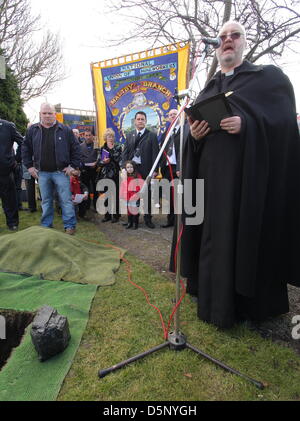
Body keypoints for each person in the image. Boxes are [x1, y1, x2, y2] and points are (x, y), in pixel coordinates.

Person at [171, 20, 300, 328]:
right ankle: (210, 298)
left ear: (244, 42)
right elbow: (193, 135)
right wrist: (196, 136)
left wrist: (247, 124)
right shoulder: (208, 89)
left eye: (235, 35)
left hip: (246, 184)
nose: (227, 40)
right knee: (211, 236)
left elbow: (284, 126)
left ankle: (242, 306)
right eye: (223, 36)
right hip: (209, 182)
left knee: (240, 238)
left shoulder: (266, 80)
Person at [22, 103, 81, 235]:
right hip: (42, 173)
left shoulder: (65, 130)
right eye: (44, 113)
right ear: (40, 114)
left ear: (55, 114)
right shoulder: (33, 130)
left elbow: (76, 149)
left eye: (50, 113)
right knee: (46, 200)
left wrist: (72, 166)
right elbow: (25, 148)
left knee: (65, 200)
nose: (47, 116)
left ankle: (70, 226)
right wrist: (30, 167)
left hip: (61, 172)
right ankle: (46, 226)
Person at [122, 111, 159, 229]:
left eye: (143, 119)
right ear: (135, 121)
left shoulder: (152, 135)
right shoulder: (129, 135)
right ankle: (133, 219)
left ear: (146, 121)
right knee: (132, 195)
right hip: (132, 170)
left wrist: (155, 169)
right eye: (138, 119)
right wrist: (124, 168)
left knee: (147, 195)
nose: (140, 121)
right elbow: (125, 153)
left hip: (146, 169)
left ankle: (148, 219)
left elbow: (155, 154)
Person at [159, 108, 189, 228]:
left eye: (175, 114)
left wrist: (181, 166)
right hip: (167, 167)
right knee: (168, 195)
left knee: (179, 194)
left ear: (181, 115)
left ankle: (180, 221)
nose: (172, 116)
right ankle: (170, 220)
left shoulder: (185, 129)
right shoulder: (166, 132)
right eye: (170, 115)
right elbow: (162, 149)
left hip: (179, 167)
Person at [0, 119, 23, 231]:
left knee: (9, 198)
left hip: (5, 170)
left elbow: (22, 142)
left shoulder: (8, 126)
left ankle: (12, 222)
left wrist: (16, 160)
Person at [96, 128, 122, 223]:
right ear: (105, 138)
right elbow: (98, 162)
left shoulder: (118, 147)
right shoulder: (102, 148)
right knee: (106, 195)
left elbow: (119, 159)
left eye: (111, 136)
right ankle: (107, 215)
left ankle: (116, 215)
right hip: (105, 174)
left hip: (115, 174)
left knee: (115, 195)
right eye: (108, 136)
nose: (110, 138)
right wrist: (103, 161)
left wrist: (111, 155)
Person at [120, 160, 144, 230]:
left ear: (134, 168)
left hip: (135, 195)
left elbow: (140, 186)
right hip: (127, 195)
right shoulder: (125, 176)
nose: (129, 169)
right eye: (128, 167)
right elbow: (123, 186)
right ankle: (129, 222)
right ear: (125, 169)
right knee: (129, 209)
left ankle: (135, 223)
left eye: (131, 167)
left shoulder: (137, 176)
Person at [80, 128, 98, 212]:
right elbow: (79, 158)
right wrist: (82, 164)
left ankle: (96, 206)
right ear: (84, 136)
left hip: (95, 170)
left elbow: (100, 156)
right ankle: (86, 206)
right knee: (86, 188)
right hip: (85, 171)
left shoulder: (97, 145)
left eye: (89, 135)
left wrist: (96, 163)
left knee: (95, 189)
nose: (87, 137)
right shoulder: (80, 146)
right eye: (86, 135)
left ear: (92, 136)